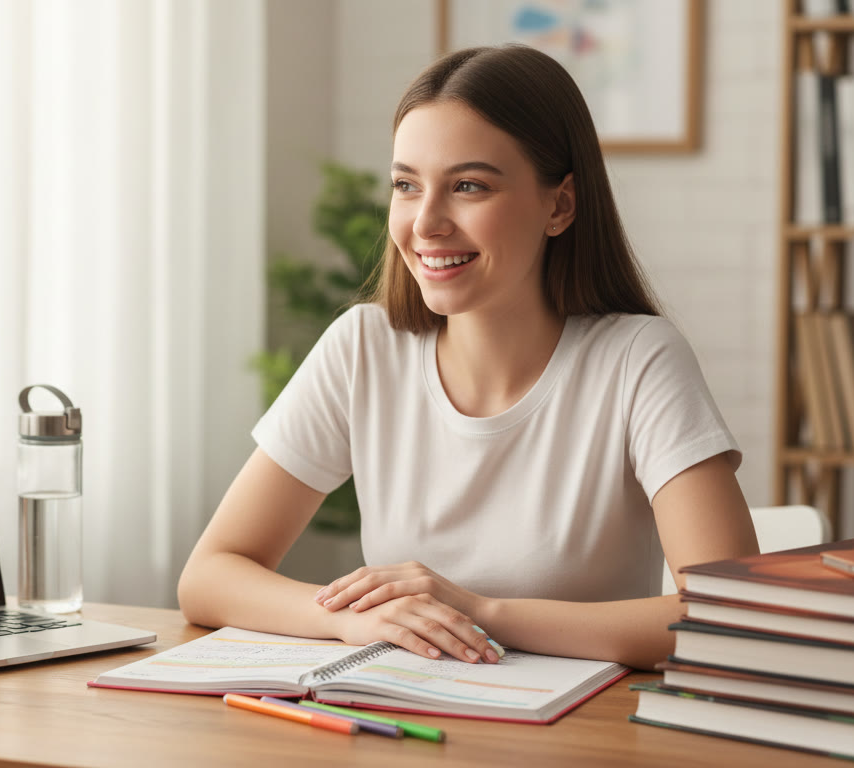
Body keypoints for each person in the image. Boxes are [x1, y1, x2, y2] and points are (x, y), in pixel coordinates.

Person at [178, 45, 758, 670]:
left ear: (559, 205)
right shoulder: (363, 348)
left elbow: (731, 615)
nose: (426, 222)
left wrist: (479, 612)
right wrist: (351, 617)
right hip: (403, 723)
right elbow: (209, 576)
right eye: (406, 185)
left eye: (468, 186)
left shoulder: (637, 360)